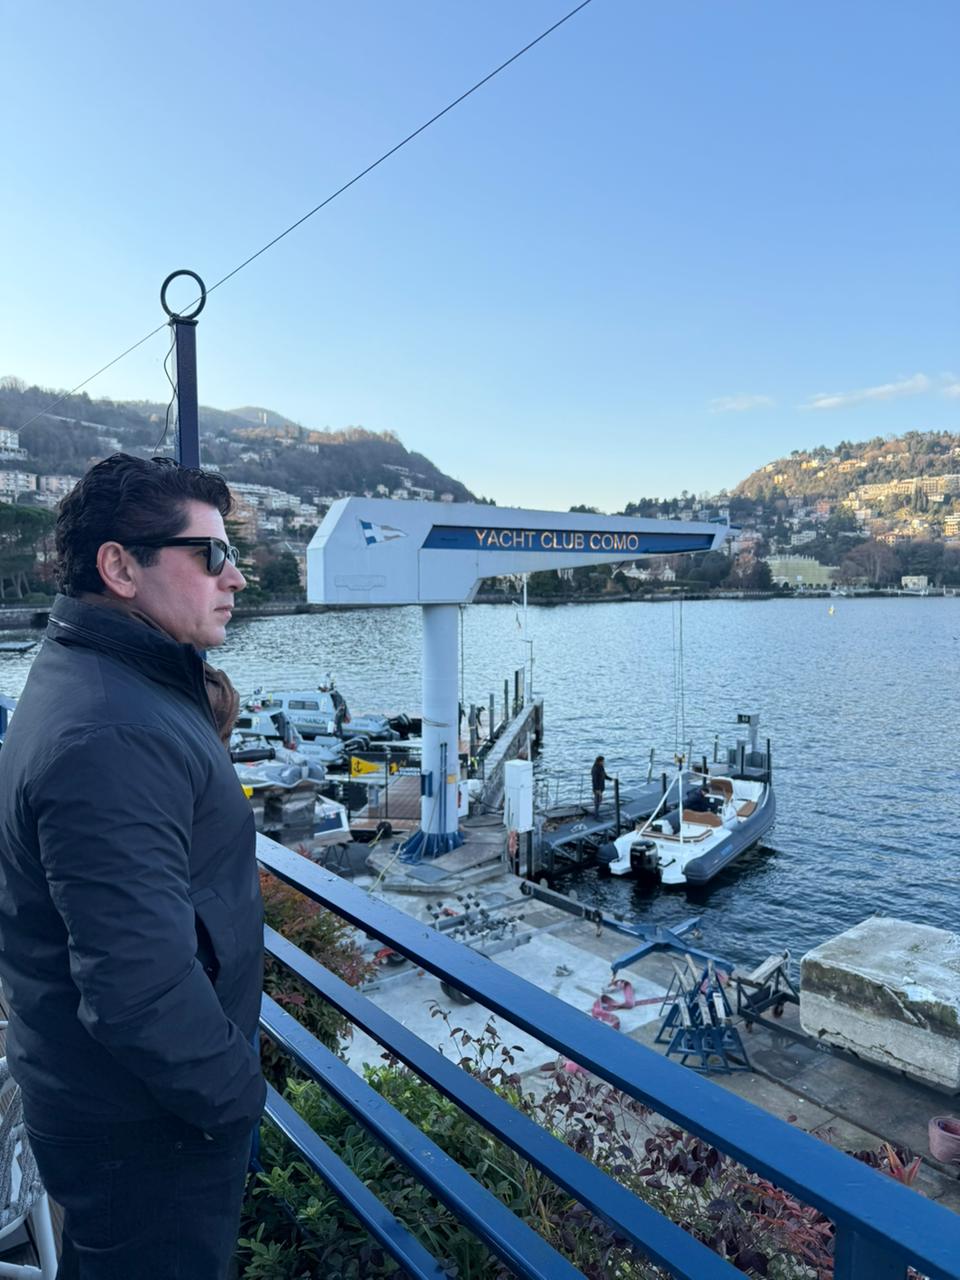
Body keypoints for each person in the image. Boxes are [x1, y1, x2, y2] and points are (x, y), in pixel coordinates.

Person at [0, 454, 265, 1280]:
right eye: (211, 555)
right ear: (119, 568)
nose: (236, 578)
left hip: (105, 1107)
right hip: (148, 1133)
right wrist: (236, 1097)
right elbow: (136, 987)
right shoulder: (112, 731)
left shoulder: (95, 678)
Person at [591, 754, 613, 819]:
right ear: (599, 761)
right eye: (603, 761)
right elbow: (594, 780)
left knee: (599, 800)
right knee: (597, 801)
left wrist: (611, 779)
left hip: (601, 787)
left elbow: (604, 776)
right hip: (597, 788)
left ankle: (596, 814)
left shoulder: (601, 767)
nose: (604, 762)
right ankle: (596, 816)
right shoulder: (595, 768)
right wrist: (597, 789)